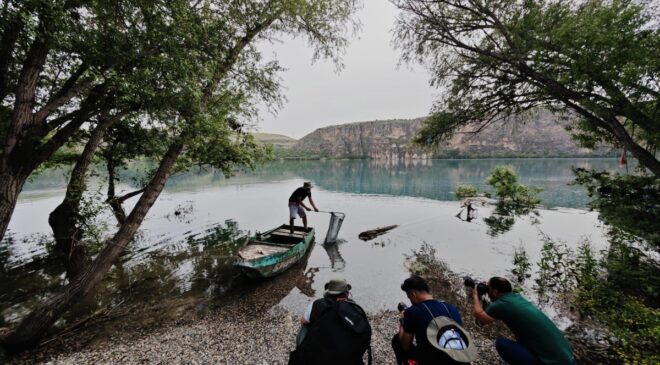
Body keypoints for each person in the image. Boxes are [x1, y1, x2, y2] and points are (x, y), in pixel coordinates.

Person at [472, 277, 575, 365]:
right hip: (568, 358)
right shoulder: (517, 297)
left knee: (501, 344)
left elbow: (480, 319)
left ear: (495, 292)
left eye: (488, 288)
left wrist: (475, 295)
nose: (487, 291)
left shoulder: (501, 305)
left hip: (551, 363)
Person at [290, 279, 371, 365]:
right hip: (346, 356)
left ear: (328, 292)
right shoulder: (353, 309)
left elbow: (303, 321)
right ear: (346, 293)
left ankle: (301, 351)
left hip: (319, 353)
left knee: (305, 327)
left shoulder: (317, 304)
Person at [392, 275, 466, 365]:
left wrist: (403, 321)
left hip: (435, 361)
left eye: (409, 298)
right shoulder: (451, 308)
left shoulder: (412, 311)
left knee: (397, 340)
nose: (411, 301)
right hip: (462, 359)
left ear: (413, 295)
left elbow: (405, 345)